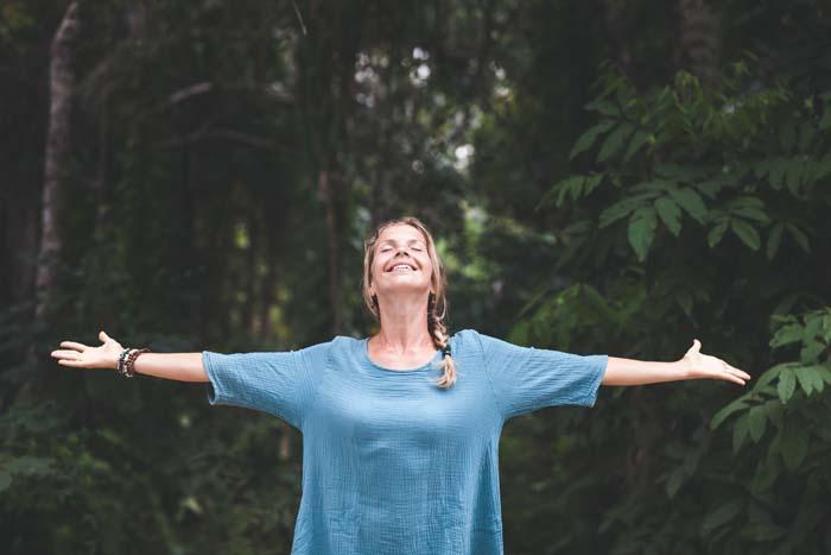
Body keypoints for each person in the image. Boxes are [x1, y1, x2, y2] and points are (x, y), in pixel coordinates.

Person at [50, 215, 751, 555]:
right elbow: (219, 365)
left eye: (414, 245)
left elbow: (586, 368)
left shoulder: (484, 362)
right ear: (370, 281)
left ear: (434, 277)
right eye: (386, 247)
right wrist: (125, 358)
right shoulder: (322, 367)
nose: (401, 251)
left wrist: (678, 367)